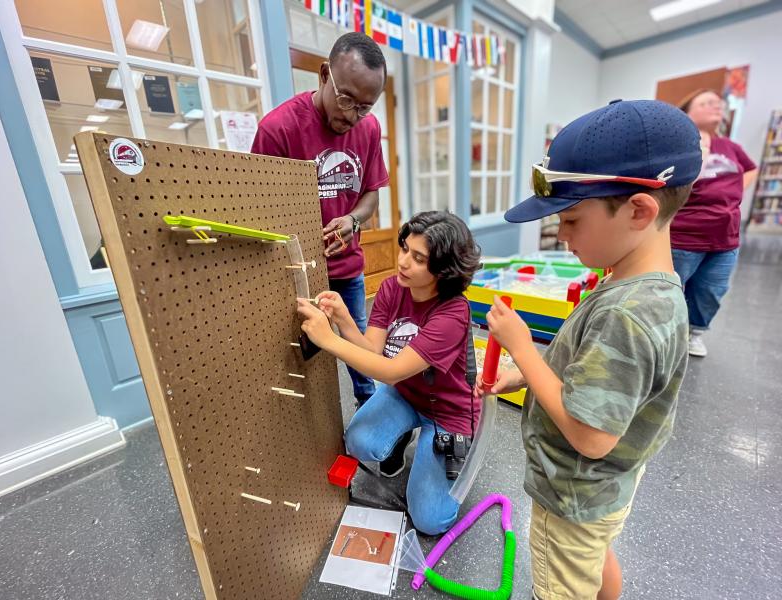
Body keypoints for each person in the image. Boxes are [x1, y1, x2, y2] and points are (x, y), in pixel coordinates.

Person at [482, 100, 701, 600]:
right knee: (598, 554)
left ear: (639, 211)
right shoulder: (640, 282)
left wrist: (523, 348)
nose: (562, 235)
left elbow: (590, 434)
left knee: (562, 585)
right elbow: (592, 379)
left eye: (573, 220)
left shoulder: (629, 313)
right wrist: (521, 374)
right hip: (604, 491)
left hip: (572, 494)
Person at [297, 212, 481, 535]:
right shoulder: (392, 289)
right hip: (407, 393)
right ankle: (404, 434)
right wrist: (343, 319)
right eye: (405, 248)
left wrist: (328, 340)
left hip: (446, 413)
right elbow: (373, 351)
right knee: (358, 441)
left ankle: (450, 453)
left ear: (443, 271)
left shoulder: (453, 312)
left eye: (419, 258)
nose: (404, 261)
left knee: (429, 521)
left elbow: (391, 370)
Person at [251, 32, 388, 411]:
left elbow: (371, 194)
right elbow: (261, 209)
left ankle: (370, 413)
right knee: (301, 355)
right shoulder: (278, 129)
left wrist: (353, 221)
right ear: (324, 75)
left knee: (358, 348)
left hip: (347, 270)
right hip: (295, 271)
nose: (351, 115)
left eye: (364, 106)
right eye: (345, 98)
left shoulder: (369, 128)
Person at [670, 89, 758, 357]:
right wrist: (702, 150)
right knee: (670, 288)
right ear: (687, 112)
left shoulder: (732, 147)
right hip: (684, 234)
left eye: (717, 104)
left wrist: (734, 192)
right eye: (706, 103)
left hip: (726, 238)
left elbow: (751, 168)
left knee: (712, 290)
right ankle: (664, 335)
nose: (715, 107)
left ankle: (693, 333)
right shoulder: (678, 146)